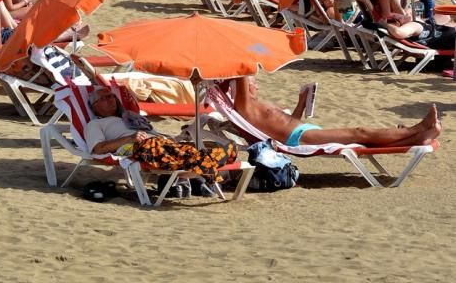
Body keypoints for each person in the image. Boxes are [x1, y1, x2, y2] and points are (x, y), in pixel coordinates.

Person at [85, 86, 238, 195]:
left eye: (111, 96)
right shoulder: (95, 124)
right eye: (103, 98)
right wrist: (130, 138)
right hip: (138, 146)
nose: (110, 100)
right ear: (95, 106)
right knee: (173, 151)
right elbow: (98, 149)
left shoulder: (130, 117)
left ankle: (206, 163)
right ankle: (212, 161)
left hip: (158, 142)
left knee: (185, 150)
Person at [234, 76, 441, 148]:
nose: (256, 86)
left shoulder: (258, 105)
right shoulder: (246, 108)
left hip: (302, 130)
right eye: (253, 84)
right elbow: (240, 70)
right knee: (360, 133)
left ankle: (419, 138)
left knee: (362, 140)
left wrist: (300, 104)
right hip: (299, 138)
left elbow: (286, 123)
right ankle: (418, 128)